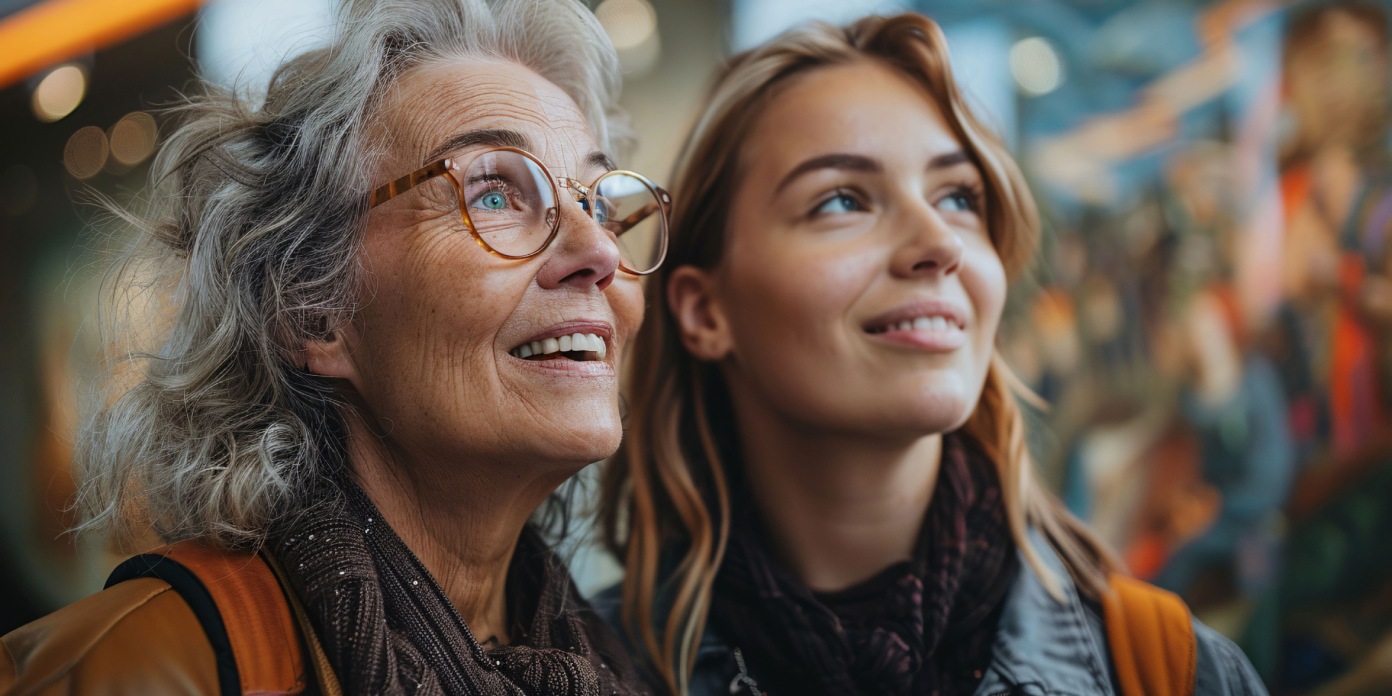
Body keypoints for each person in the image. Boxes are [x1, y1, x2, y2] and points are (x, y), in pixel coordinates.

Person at [1, 0, 668, 693]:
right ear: (312, 310)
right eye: (494, 193)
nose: (598, 251)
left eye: (597, 203)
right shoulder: (133, 670)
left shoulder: (622, 663)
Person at [596, 13, 1266, 696]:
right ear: (706, 312)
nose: (940, 242)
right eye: (841, 200)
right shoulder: (581, 670)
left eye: (958, 197)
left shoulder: (1171, 669)